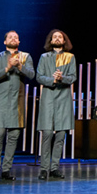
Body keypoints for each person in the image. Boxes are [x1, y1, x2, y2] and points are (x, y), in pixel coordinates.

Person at [0, 30, 34, 181]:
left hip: (17, 101)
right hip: (1, 101)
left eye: (16, 37)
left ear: (19, 42)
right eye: (10, 37)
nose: (13, 39)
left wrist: (20, 66)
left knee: (14, 136)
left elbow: (32, 75)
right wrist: (7, 67)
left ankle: (6, 169)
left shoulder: (25, 56)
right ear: (5, 41)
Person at [36, 29, 76, 180]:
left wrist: (62, 77)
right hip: (48, 97)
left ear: (64, 41)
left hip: (63, 98)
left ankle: (54, 168)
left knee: (60, 135)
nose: (58, 39)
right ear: (51, 41)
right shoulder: (44, 57)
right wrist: (52, 80)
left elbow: (73, 77)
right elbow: (39, 76)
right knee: (47, 133)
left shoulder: (70, 57)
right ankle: (44, 168)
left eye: (60, 37)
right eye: (55, 37)